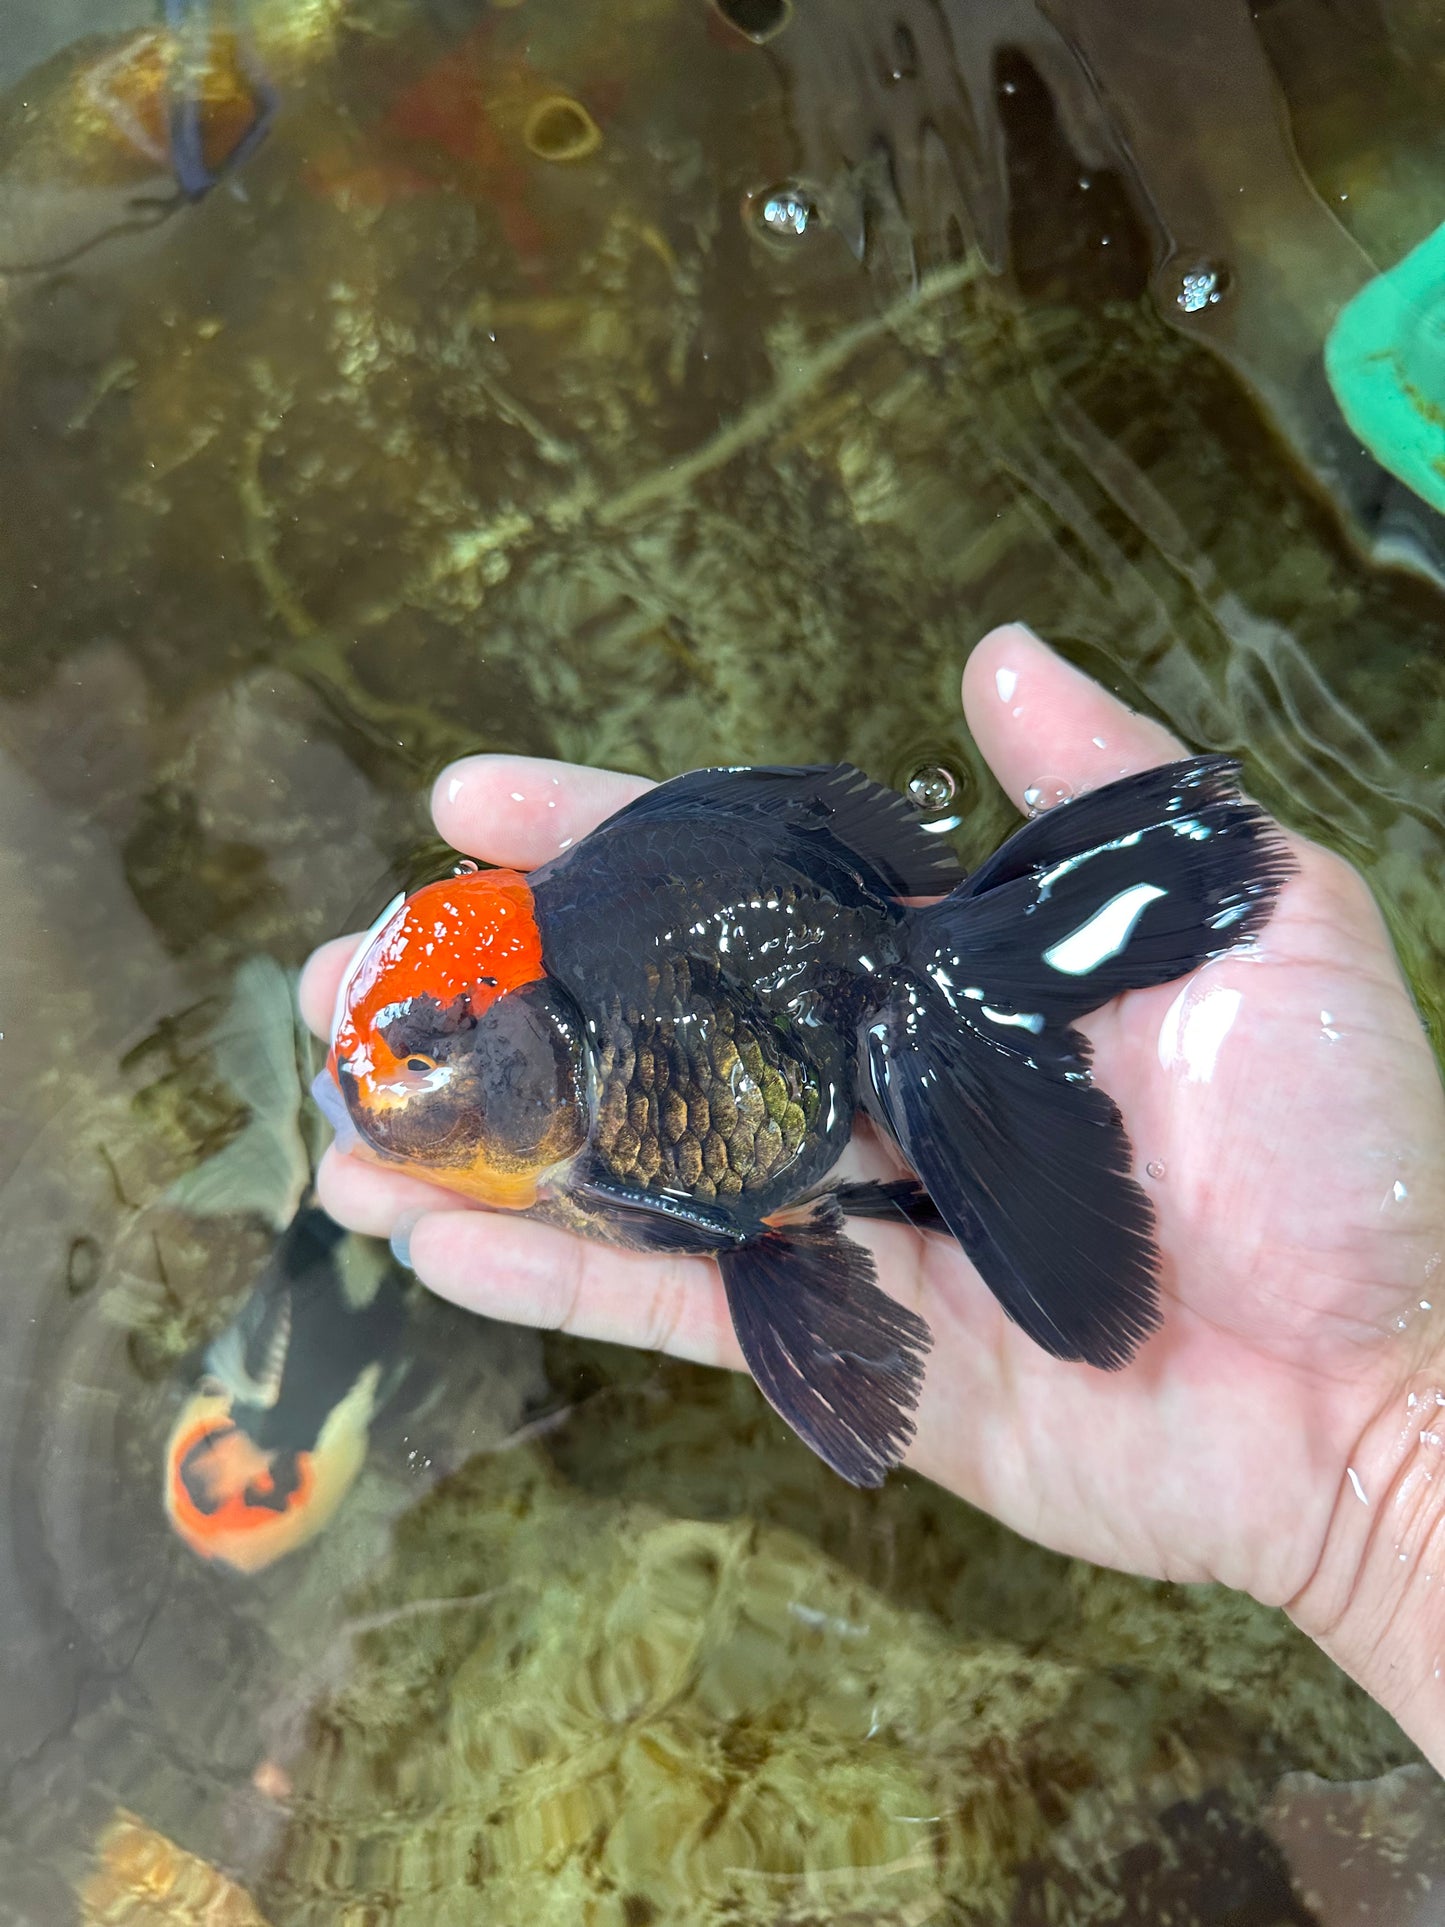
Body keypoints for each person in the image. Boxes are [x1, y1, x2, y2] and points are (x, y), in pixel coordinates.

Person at [299, 623, 1445, 1770]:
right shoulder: (553, 1042)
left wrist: (1384, 1458)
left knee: (794, 1156)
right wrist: (1373, 1487)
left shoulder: (594, 1119)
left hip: (819, 981)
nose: (384, 1103)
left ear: (528, 1049)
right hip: (810, 948)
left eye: (415, 1077)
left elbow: (720, 1223)